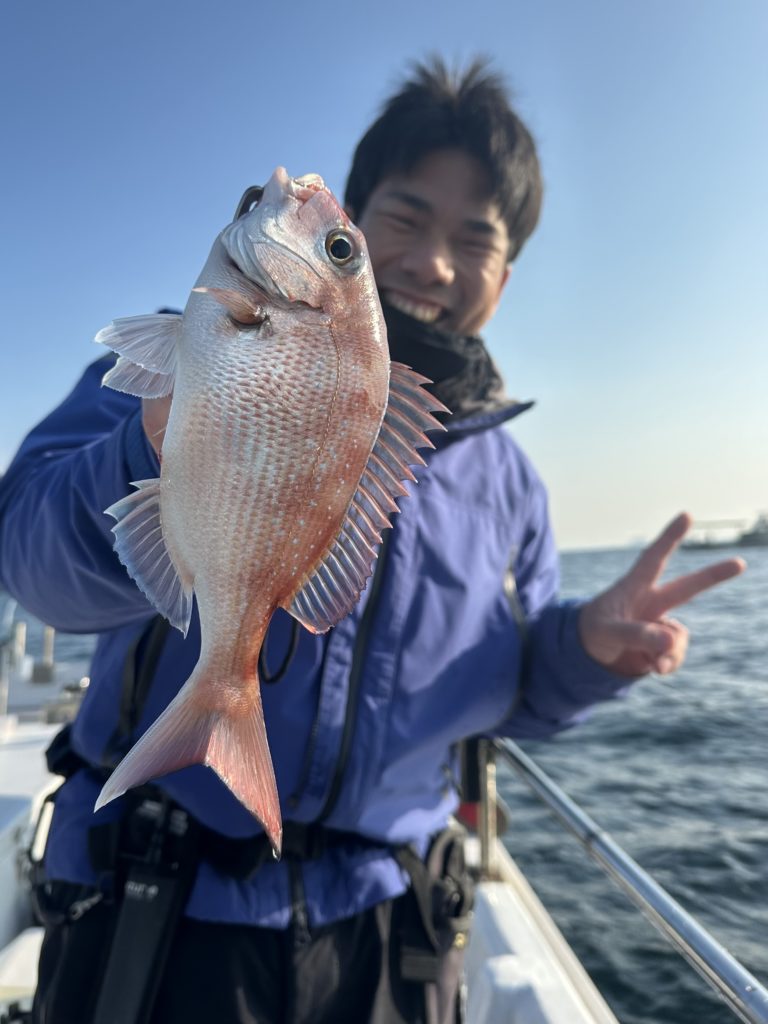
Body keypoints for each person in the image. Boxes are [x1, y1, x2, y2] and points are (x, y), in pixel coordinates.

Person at [0, 58, 743, 1024]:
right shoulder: (169, 364)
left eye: (474, 239)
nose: (434, 263)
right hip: (157, 907)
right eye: (401, 219)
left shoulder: (511, 485)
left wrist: (586, 652)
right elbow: (27, 558)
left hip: (394, 937)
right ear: (359, 210)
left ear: (505, 277)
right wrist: (149, 446)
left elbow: (510, 687)